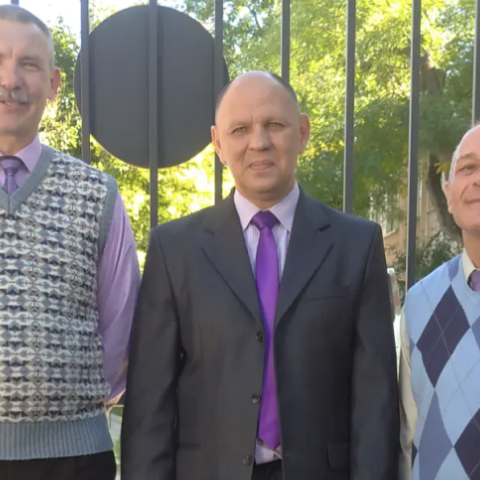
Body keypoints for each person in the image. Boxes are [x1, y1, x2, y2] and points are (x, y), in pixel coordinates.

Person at [121, 71, 399, 480]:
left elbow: (376, 399)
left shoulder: (357, 245)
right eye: (240, 129)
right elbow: (150, 402)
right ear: (218, 143)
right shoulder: (174, 249)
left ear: (302, 132)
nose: (259, 142)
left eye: (274, 124)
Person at [0, 5, 140, 480]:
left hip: (74, 460)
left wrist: (65, 398)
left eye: (29, 63)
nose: (10, 80)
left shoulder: (96, 194)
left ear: (54, 83)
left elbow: (121, 328)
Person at [399, 124, 480, 480]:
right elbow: (407, 437)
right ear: (448, 193)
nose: (478, 179)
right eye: (468, 167)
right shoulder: (419, 303)